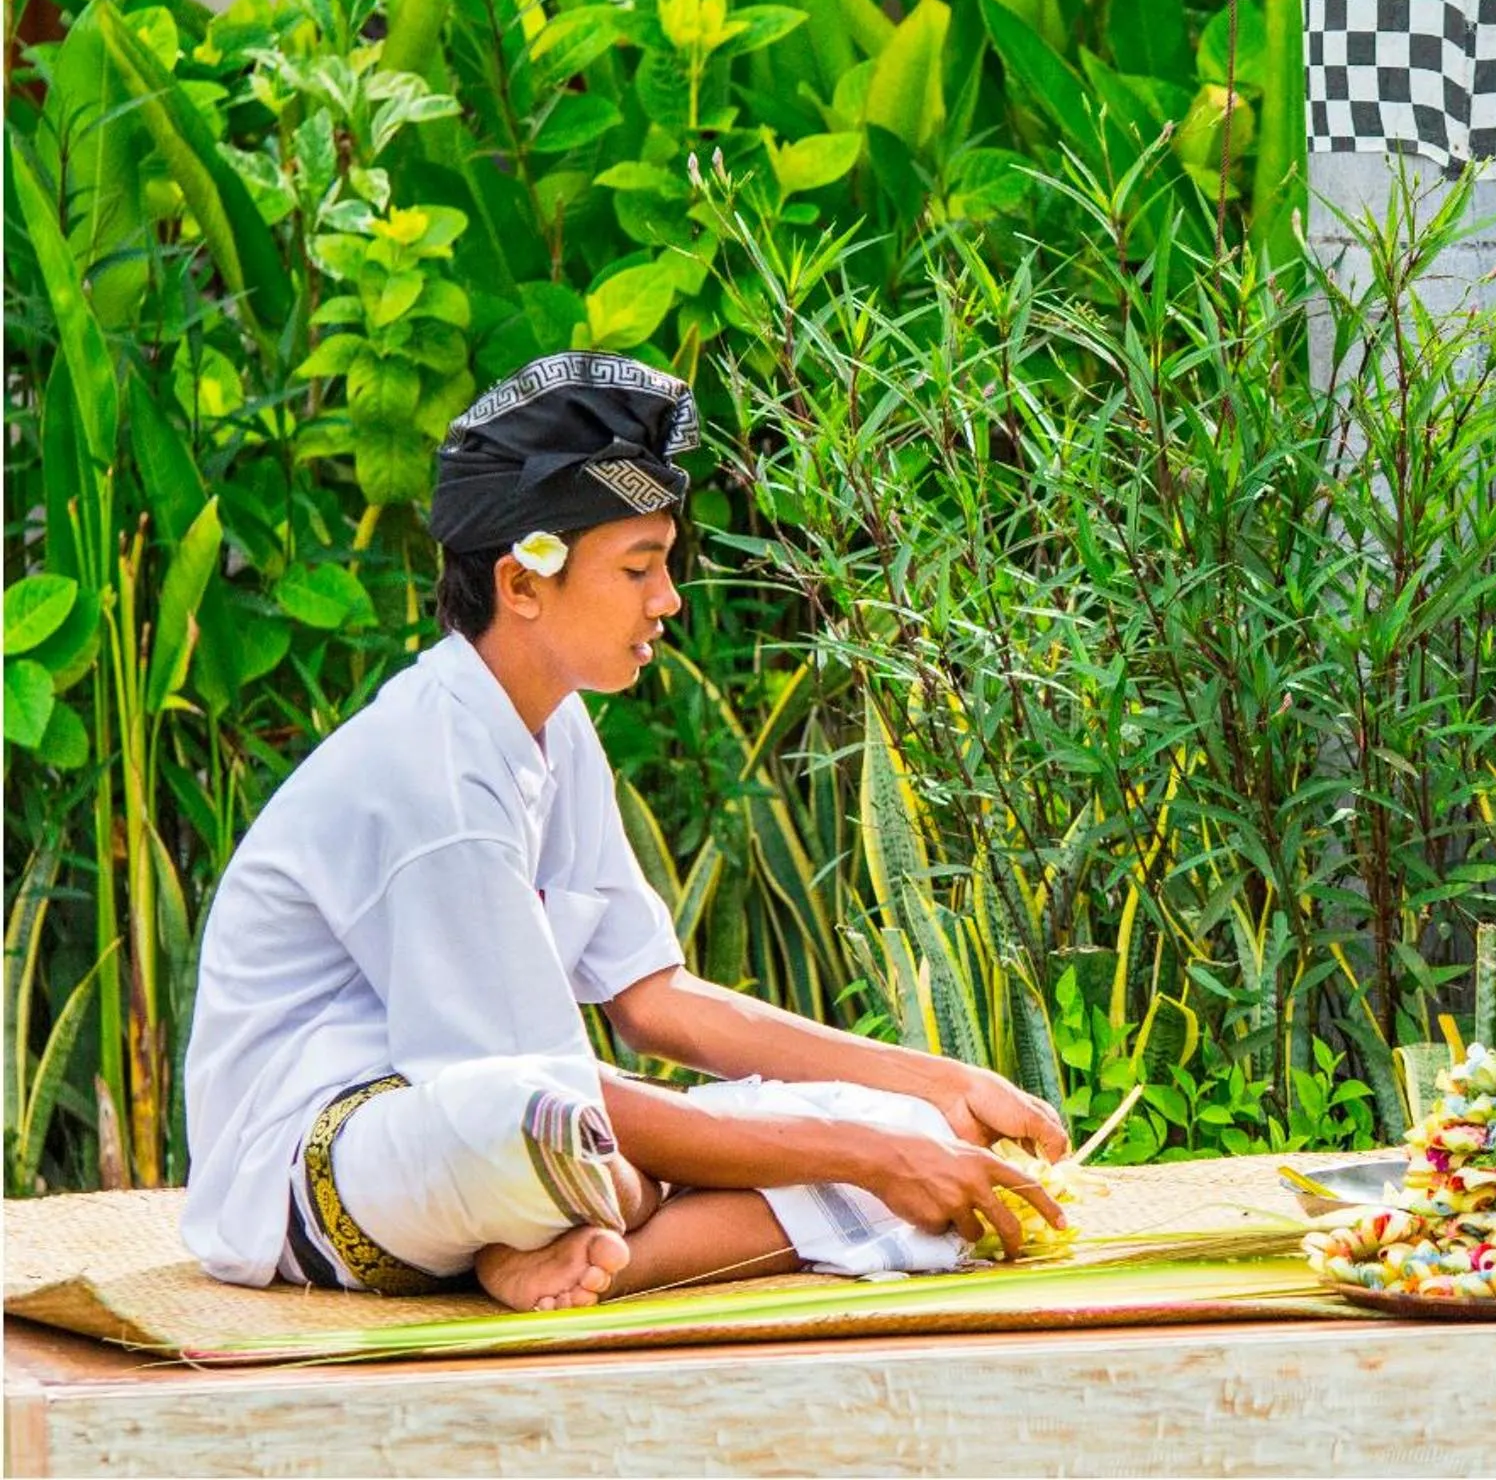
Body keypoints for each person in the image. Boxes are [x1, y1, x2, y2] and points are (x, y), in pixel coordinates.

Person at [183, 351, 1069, 1313]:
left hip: (521, 1153)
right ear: (523, 585)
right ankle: (621, 1203)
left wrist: (934, 1091)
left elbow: (655, 1001)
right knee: (551, 1122)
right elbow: (539, 1088)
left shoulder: (551, 722)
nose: (668, 600)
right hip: (337, 1169)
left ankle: (595, 1259)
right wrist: (866, 1155)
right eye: (639, 567)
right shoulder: (432, 766)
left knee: (928, 1157)